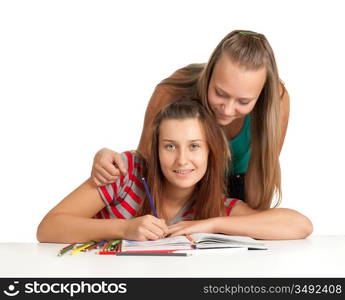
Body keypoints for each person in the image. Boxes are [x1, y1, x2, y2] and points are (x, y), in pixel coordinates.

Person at [36, 100, 312, 244]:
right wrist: (125, 228)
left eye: (194, 146)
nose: (182, 160)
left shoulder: (215, 206)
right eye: (170, 146)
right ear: (155, 149)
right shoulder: (125, 172)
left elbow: (299, 225)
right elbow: (48, 228)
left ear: (210, 152)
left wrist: (210, 225)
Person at [90, 29, 290, 210]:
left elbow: (260, 190)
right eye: (220, 93)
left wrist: (249, 223)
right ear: (209, 73)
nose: (228, 110)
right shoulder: (170, 93)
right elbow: (144, 166)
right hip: (184, 186)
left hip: (243, 185)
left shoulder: (276, 100)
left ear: (261, 94)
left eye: (244, 101)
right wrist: (108, 160)